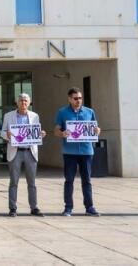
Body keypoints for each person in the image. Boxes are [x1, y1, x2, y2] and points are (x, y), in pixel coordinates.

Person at [54, 87, 101, 217]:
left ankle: (89, 207)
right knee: (69, 180)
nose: (78, 101)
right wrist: (62, 133)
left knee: (87, 180)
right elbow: (56, 130)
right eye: (75, 98)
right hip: (70, 152)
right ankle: (68, 208)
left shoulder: (89, 112)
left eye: (80, 98)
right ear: (69, 99)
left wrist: (97, 131)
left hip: (86, 151)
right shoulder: (62, 112)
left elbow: (95, 128)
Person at [1, 93, 46, 217]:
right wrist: (7, 135)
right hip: (15, 151)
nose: (23, 103)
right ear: (17, 102)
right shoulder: (8, 116)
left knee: (32, 182)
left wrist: (41, 134)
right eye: (21, 101)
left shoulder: (34, 116)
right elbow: (2, 132)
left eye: (26, 101)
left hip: (30, 152)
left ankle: (34, 207)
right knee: (13, 182)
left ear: (29, 102)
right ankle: (12, 208)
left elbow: (36, 131)